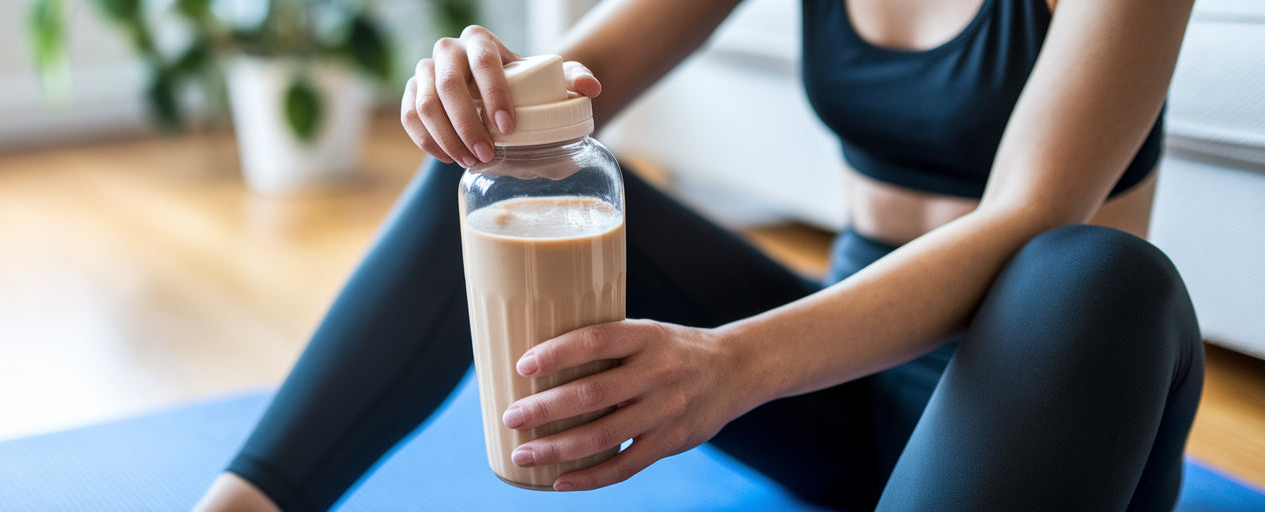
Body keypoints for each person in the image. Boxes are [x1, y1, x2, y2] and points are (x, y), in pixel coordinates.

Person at [194, 0, 1203, 510]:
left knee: (1093, 270)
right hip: (845, 385)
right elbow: (573, 87)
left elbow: (1027, 212)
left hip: (1046, 418)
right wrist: (473, 87)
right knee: (493, 168)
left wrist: (732, 366)